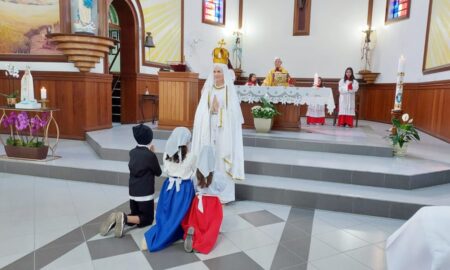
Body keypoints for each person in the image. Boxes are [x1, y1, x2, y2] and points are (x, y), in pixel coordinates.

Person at [192, 62, 245, 204]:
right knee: (210, 157)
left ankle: (224, 194)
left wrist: (220, 111)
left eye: (219, 71)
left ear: (225, 74)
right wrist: (210, 111)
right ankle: (207, 190)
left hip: (224, 131)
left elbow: (234, 115)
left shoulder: (229, 91)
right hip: (209, 129)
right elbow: (201, 113)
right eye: (214, 71)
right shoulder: (208, 90)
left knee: (221, 157)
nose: (216, 74)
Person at [99, 124, 162, 238]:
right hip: (145, 194)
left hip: (133, 193)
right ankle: (123, 217)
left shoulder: (132, 152)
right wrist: (153, 154)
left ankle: (118, 218)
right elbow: (158, 172)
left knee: (136, 214)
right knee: (147, 218)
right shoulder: (150, 155)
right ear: (150, 139)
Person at [142, 127, 196, 252]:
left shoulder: (167, 154)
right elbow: (193, 173)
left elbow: (166, 170)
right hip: (184, 190)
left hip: (168, 188)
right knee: (181, 212)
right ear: (186, 142)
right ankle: (182, 228)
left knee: (166, 214)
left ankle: (165, 229)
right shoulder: (191, 156)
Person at [182, 146, 226, 254]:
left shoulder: (194, 175)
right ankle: (201, 245)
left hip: (198, 203)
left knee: (197, 223)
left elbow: (194, 188)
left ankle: (193, 232)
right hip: (213, 205)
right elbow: (222, 188)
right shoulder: (218, 175)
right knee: (211, 228)